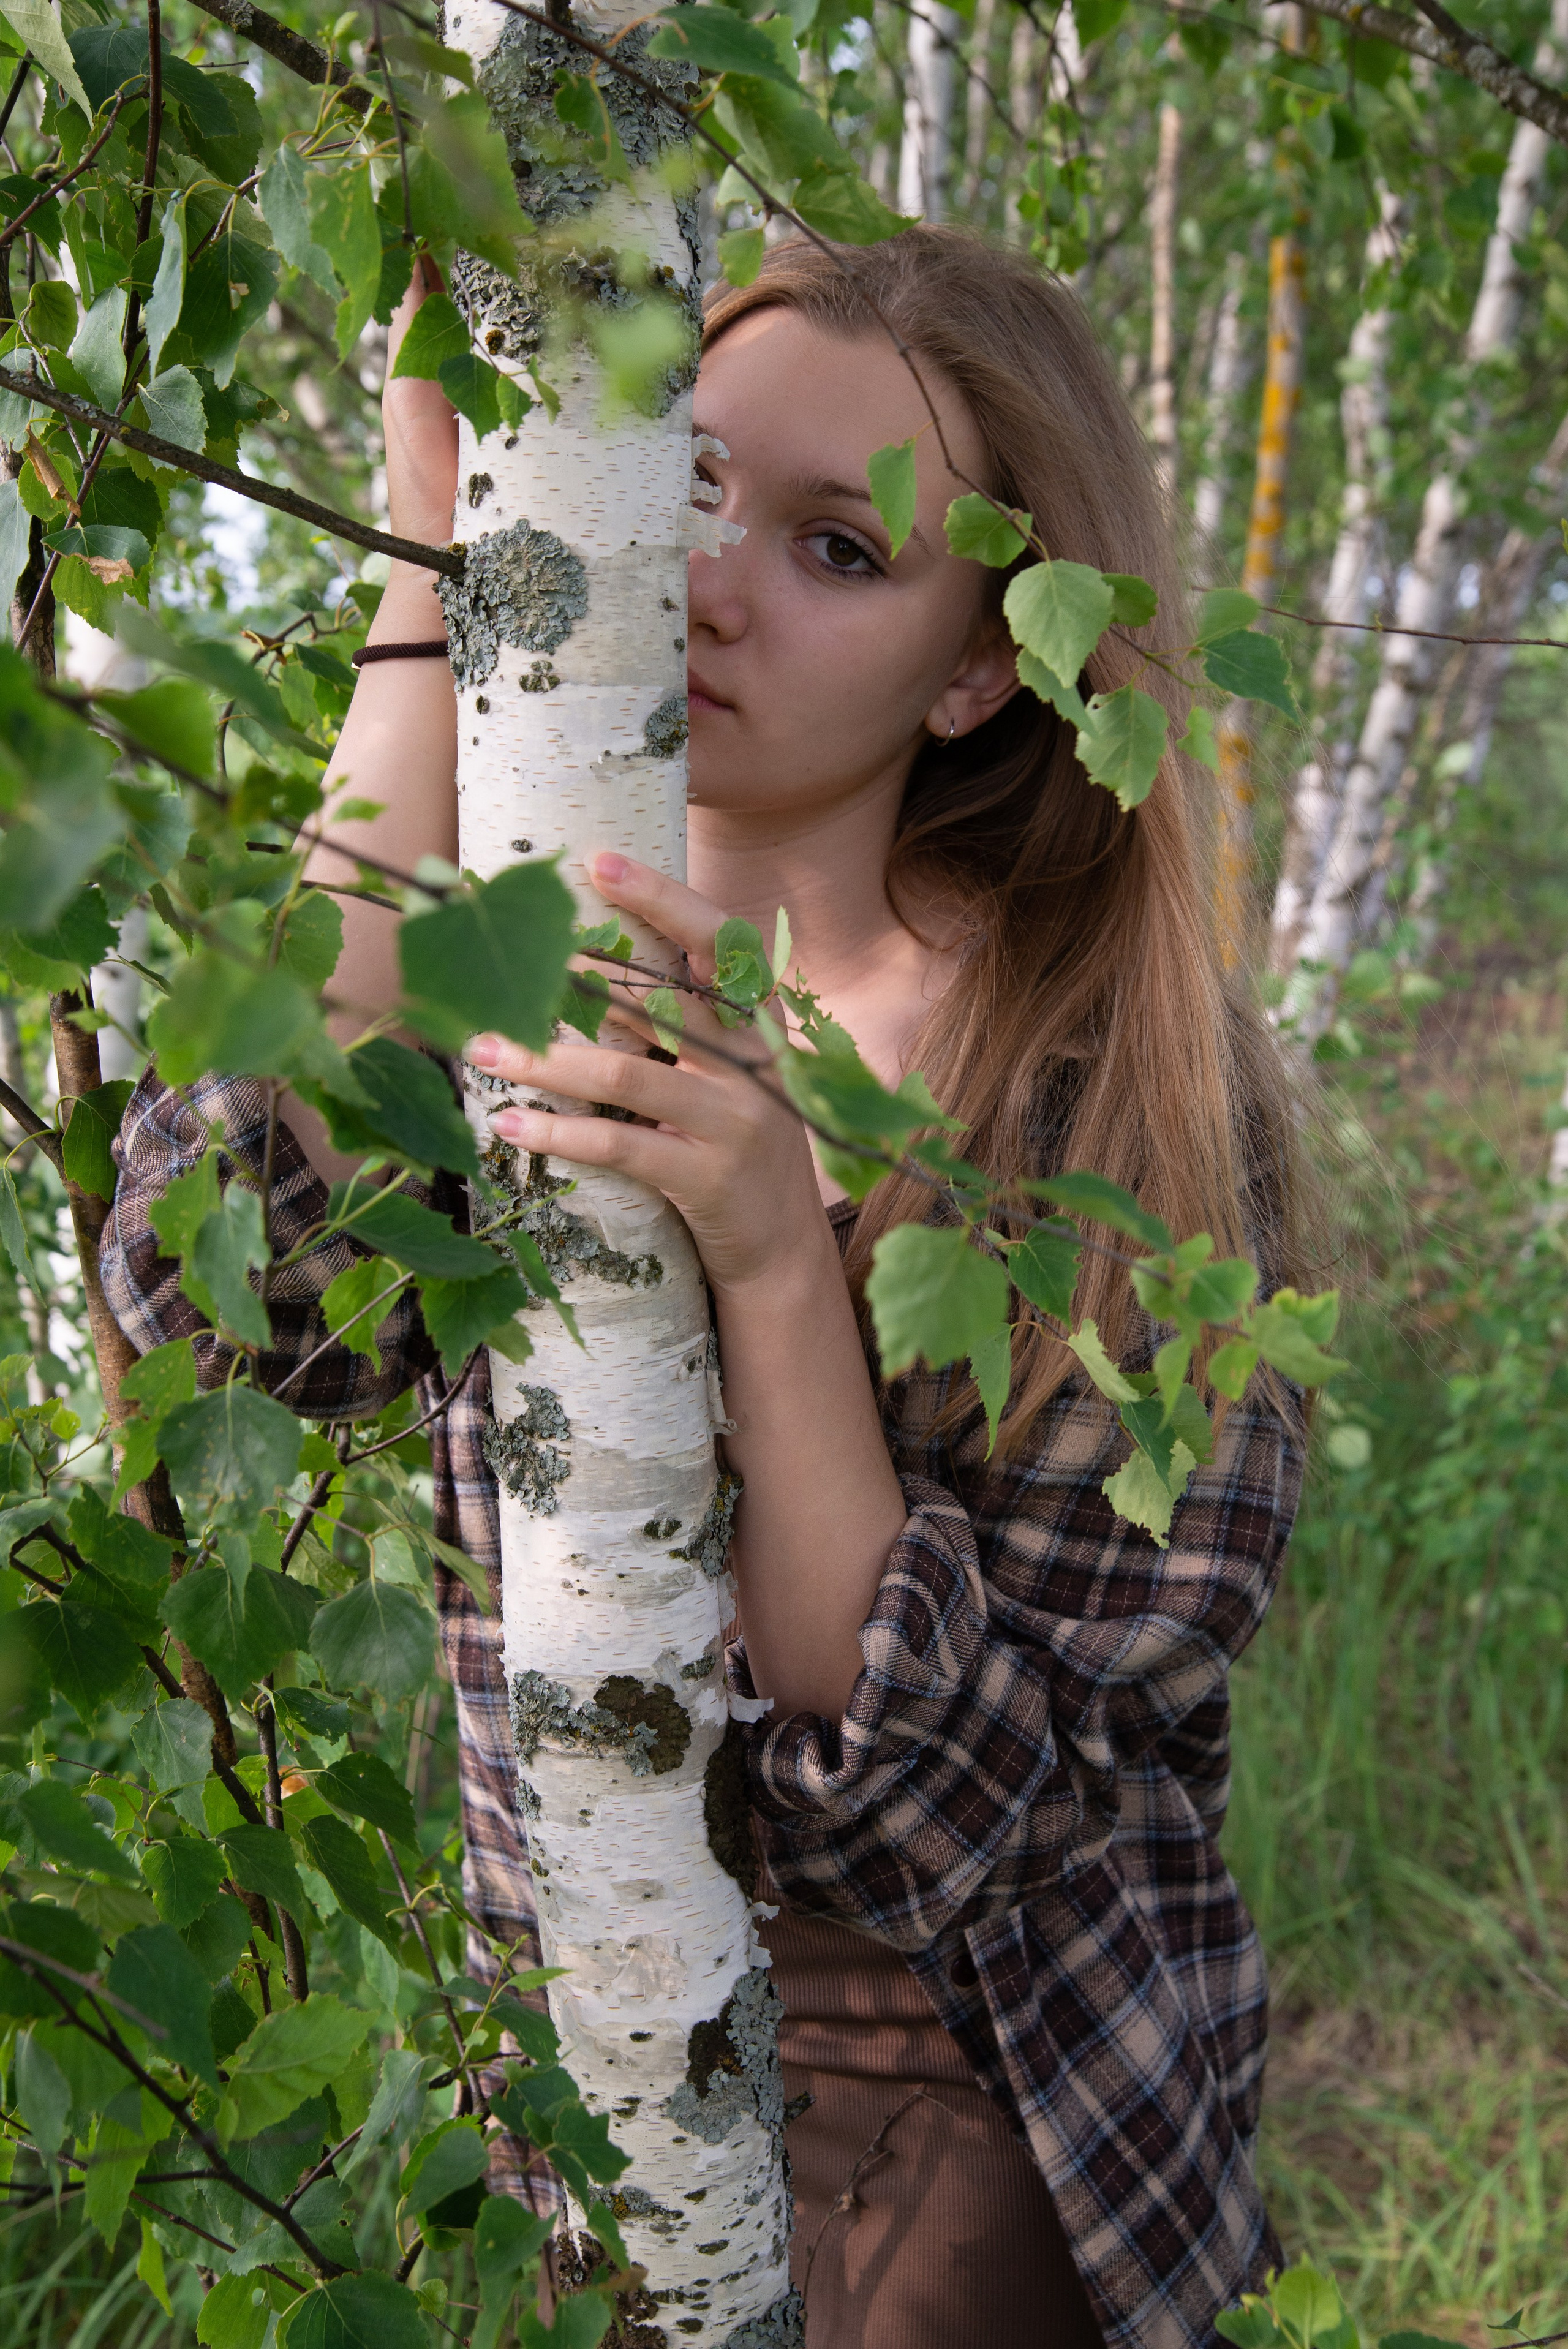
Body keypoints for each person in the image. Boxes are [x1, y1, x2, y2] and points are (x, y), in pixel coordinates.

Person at [104, 226, 1307, 2349]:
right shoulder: (507, 982)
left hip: (985, 2095)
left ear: (978, 665)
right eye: (682, 483)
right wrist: (432, 574)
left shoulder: (1117, 1116)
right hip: (592, 2049)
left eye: (843, 550)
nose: (719, 580)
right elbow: (226, 1303)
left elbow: (950, 1820)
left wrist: (771, 1253)